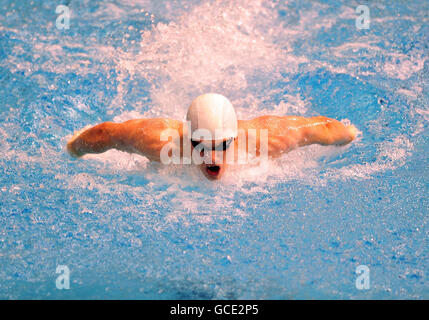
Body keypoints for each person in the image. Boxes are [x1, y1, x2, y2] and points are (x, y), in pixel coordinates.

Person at [67, 93, 357, 180]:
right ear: (188, 137)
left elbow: (323, 128)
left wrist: (351, 135)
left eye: (220, 146)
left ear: (233, 139)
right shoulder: (159, 141)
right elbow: (107, 133)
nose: (212, 157)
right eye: (201, 146)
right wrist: (72, 150)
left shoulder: (265, 140)